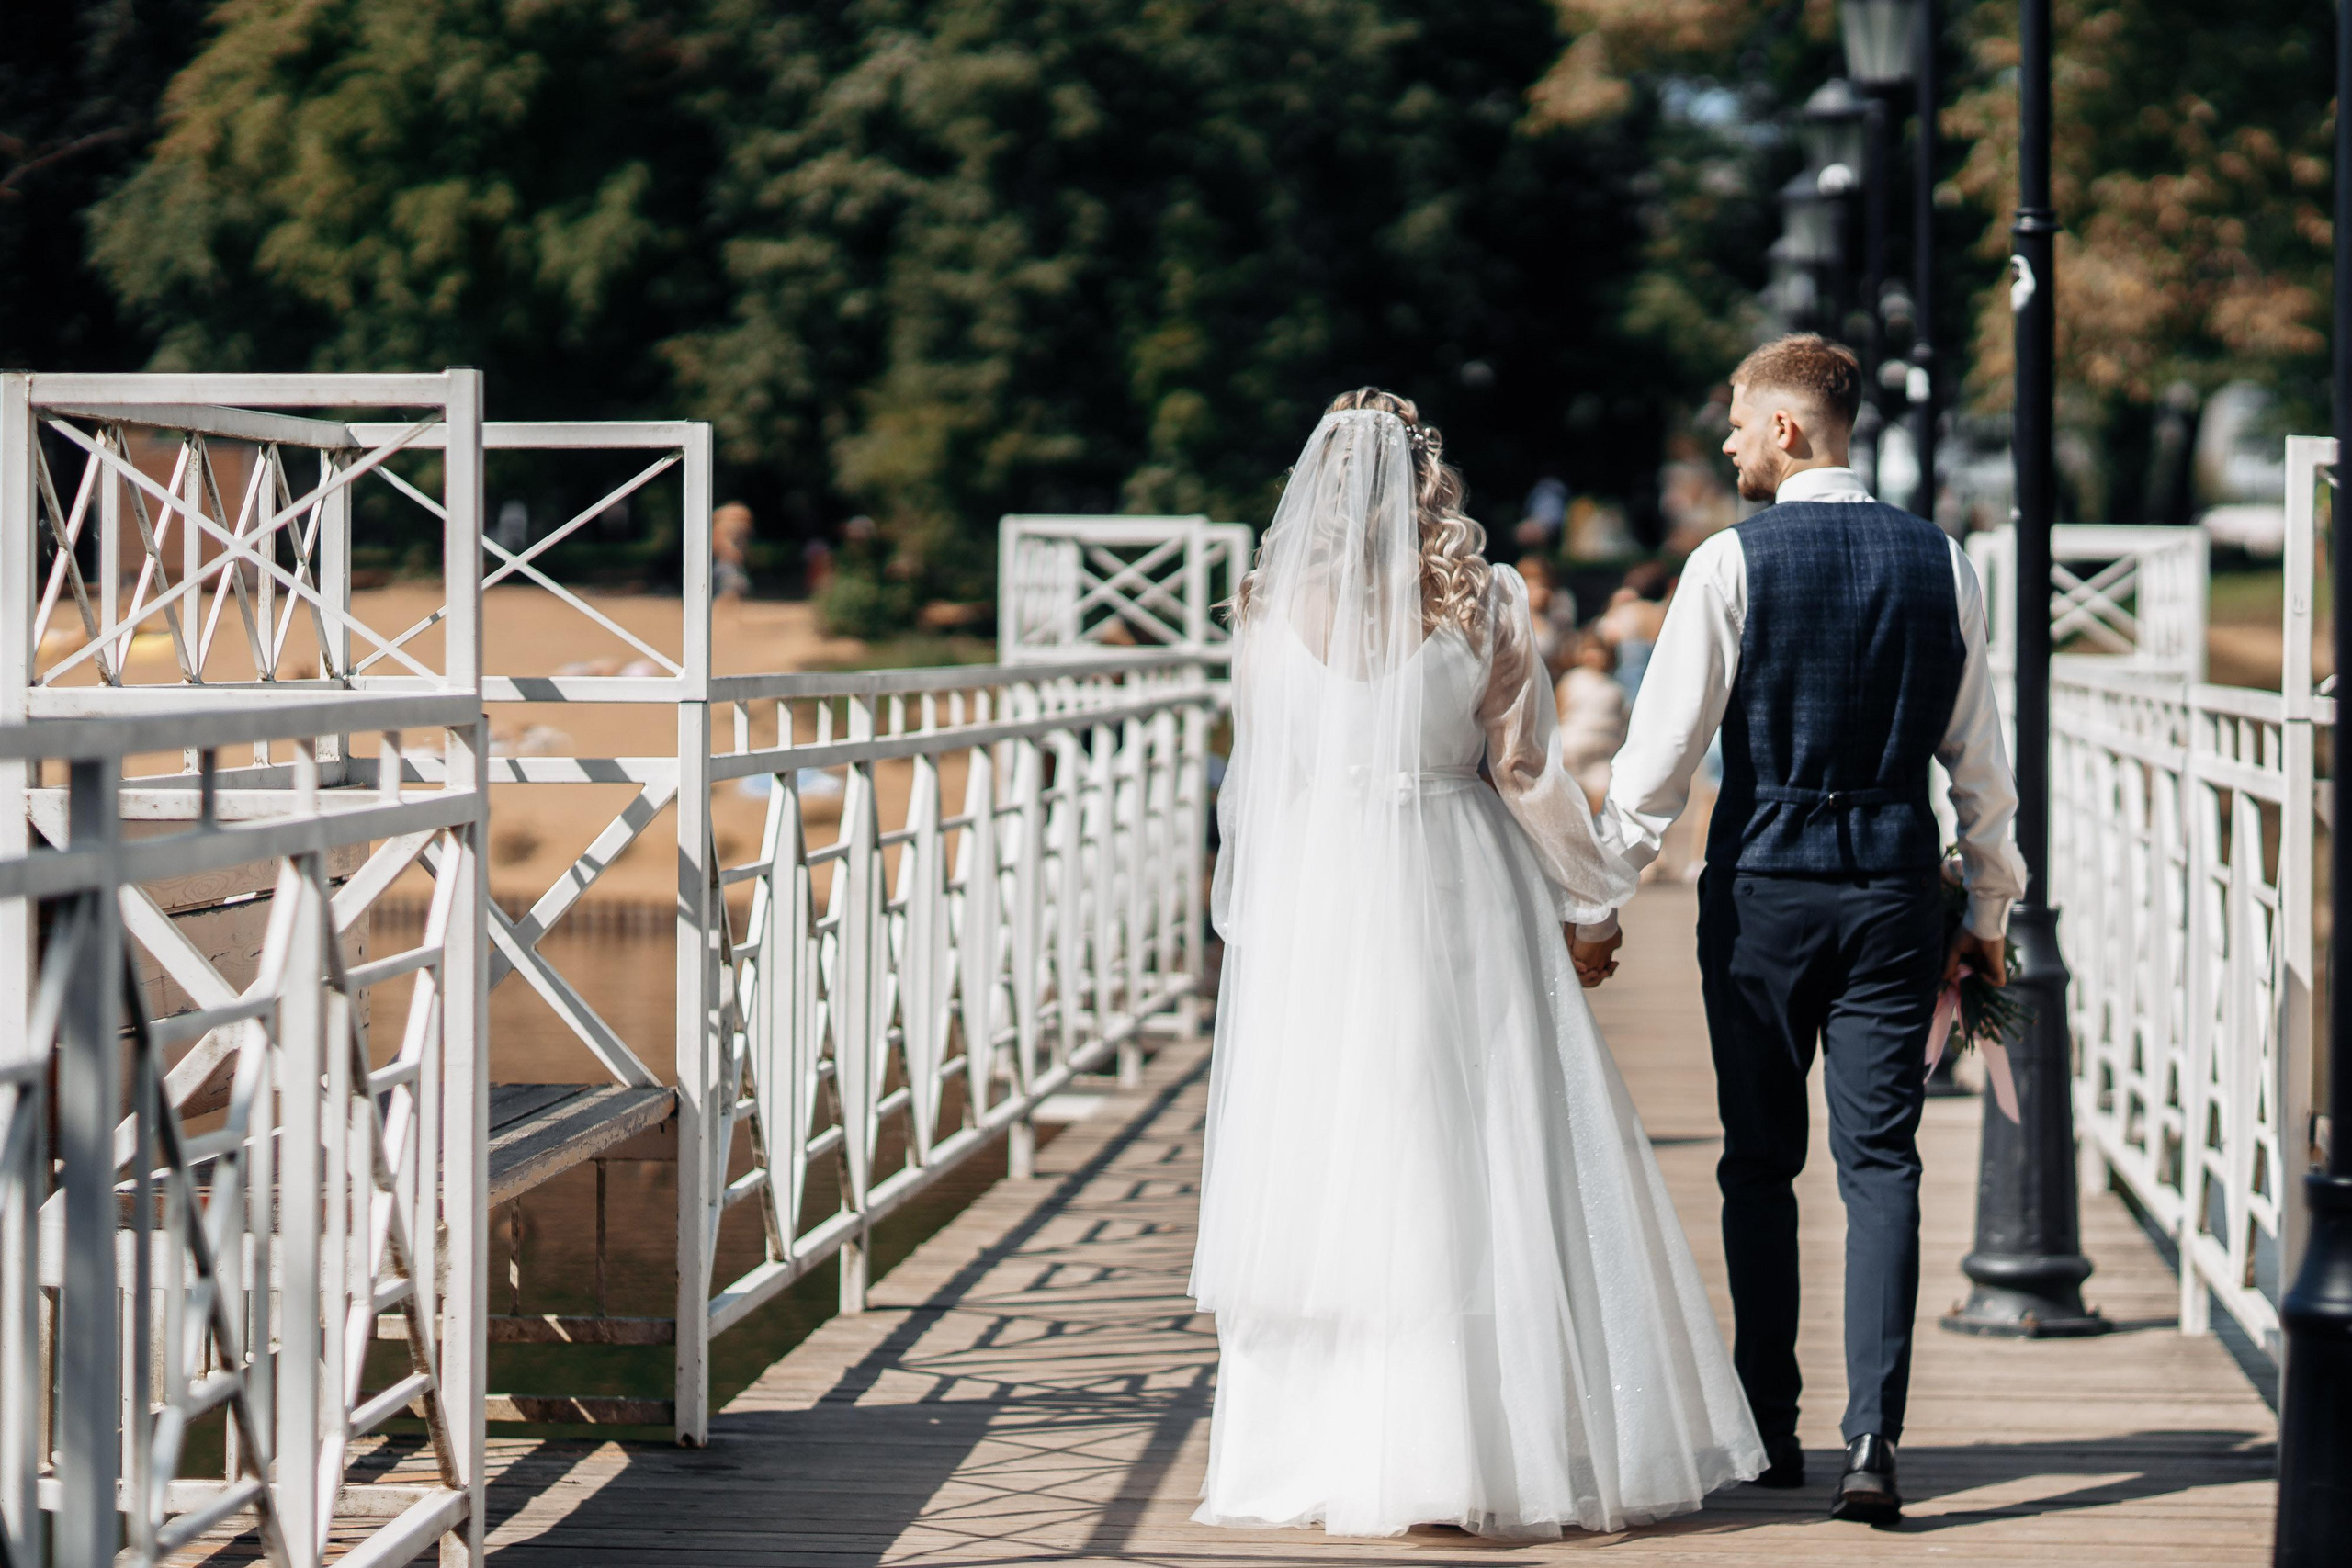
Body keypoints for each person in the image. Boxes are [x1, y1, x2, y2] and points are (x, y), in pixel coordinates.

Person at [1193, 389, 1762, 1540]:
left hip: (1321, 892)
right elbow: (1526, 771)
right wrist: (1592, 899)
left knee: (1338, 1151)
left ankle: (1320, 1449)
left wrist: (1260, 922)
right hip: (1453, 878)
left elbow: (1256, 780)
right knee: (1467, 1146)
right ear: (1426, 479)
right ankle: (1458, 1449)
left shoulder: (1262, 608)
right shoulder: (1480, 594)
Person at [1573, 334, 2024, 1525]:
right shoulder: (1941, 560)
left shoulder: (1729, 561)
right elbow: (1979, 761)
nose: (1727, 444)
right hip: (1891, 888)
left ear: (1786, 427)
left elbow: (1660, 759)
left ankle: (1769, 1426)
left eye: (1736, 422)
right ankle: (1873, 1438)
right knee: (1882, 1162)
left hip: (1765, 890)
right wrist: (1986, 906)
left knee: (1758, 1161)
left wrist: (1597, 895)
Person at [1554, 631, 1628, 811]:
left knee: (1602, 801)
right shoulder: (1573, 679)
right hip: (1572, 749)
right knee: (1568, 804)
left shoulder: (1615, 689)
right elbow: (1558, 712)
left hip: (1602, 752)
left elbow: (1621, 723)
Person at [712, 501, 754, 601]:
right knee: (732, 583)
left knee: (736, 584)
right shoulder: (721, 529)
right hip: (725, 564)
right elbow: (717, 545)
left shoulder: (739, 535)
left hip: (733, 565)